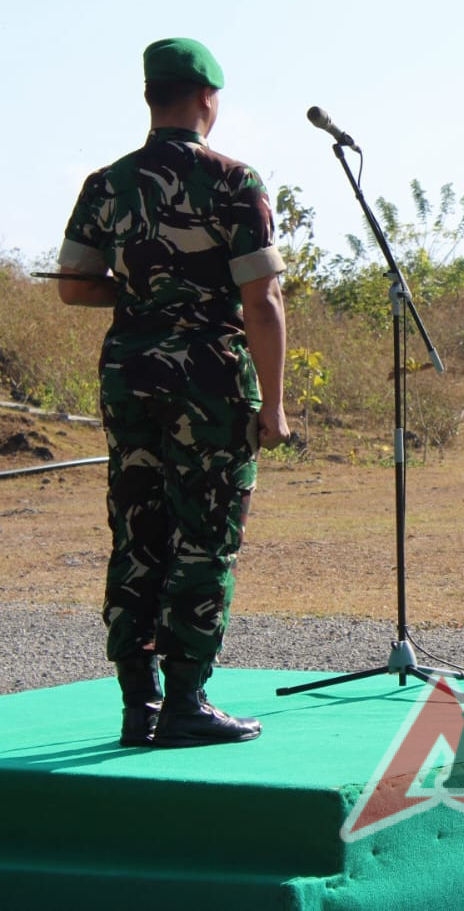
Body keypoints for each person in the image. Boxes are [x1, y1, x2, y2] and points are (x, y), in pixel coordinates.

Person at [56, 38, 289, 747]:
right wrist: (273, 407)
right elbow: (263, 301)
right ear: (207, 99)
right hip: (209, 380)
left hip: (130, 376)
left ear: (151, 96)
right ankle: (186, 700)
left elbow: (72, 284)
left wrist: (144, 292)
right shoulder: (232, 181)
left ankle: (139, 705)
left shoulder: (107, 183)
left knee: (136, 534)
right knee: (206, 538)